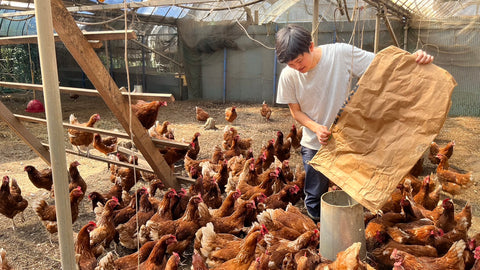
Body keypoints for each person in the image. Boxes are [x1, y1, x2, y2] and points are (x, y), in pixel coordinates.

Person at [275, 24, 434, 221]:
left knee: (355, 189)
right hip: (314, 142)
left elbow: (383, 65)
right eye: (291, 64)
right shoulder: (288, 76)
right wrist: (316, 128)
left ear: (311, 46)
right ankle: (317, 231)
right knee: (314, 194)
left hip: (348, 140)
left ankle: (350, 228)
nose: (297, 68)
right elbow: (295, 111)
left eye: (299, 61)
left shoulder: (340, 54)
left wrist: (414, 58)